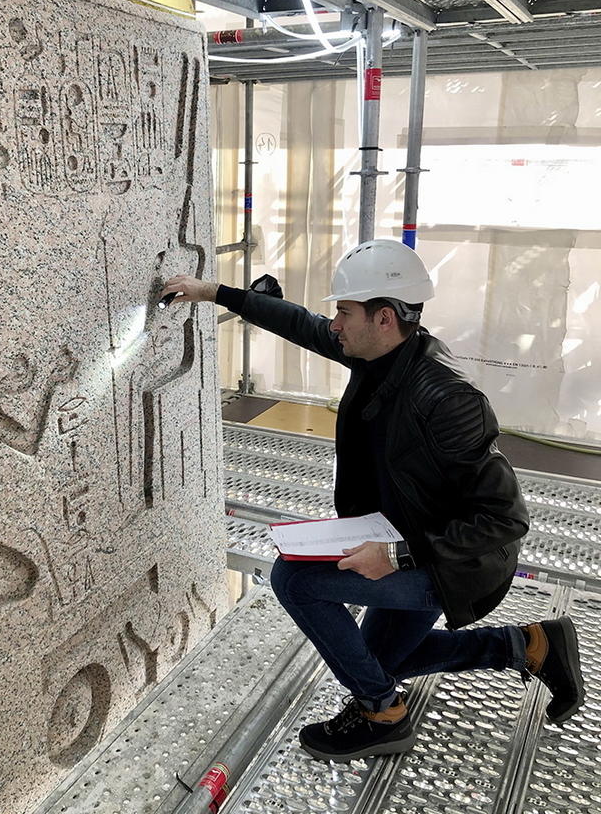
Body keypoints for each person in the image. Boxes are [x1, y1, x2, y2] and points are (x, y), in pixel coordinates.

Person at [161, 238, 585, 762]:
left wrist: (396, 556)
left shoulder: (448, 399)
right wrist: (213, 292)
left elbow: (505, 520)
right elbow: (301, 324)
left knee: (295, 580)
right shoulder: (379, 352)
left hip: (454, 563)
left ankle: (382, 713)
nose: (334, 324)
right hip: (403, 533)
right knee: (378, 659)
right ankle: (531, 645)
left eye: (344, 312)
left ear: (384, 318)